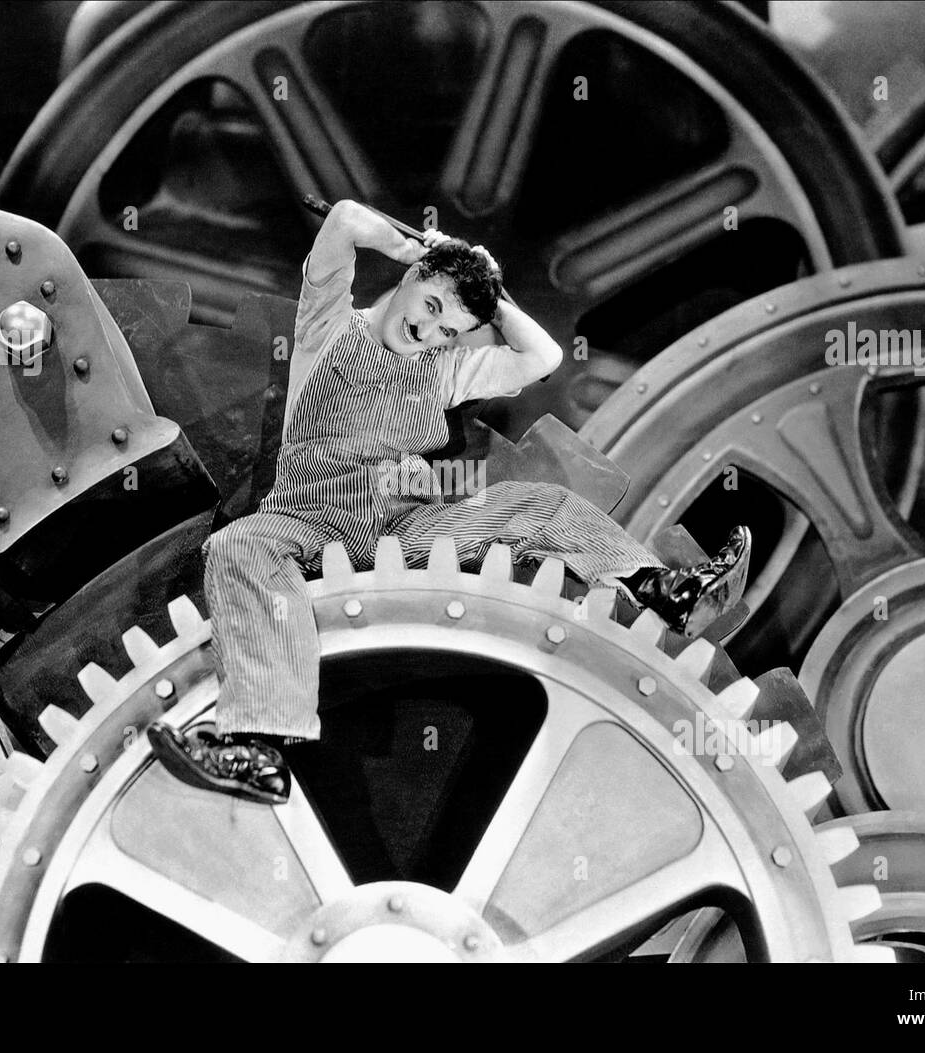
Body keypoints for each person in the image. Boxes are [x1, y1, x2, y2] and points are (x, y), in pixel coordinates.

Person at [146, 200, 750, 804]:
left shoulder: (444, 372)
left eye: (450, 331)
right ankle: (259, 747)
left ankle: (663, 591)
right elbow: (348, 221)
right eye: (430, 306)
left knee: (535, 504)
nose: (429, 332)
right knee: (235, 546)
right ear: (410, 280)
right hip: (307, 521)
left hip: (400, 526)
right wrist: (419, 249)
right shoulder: (327, 326)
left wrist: (492, 293)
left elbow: (543, 357)